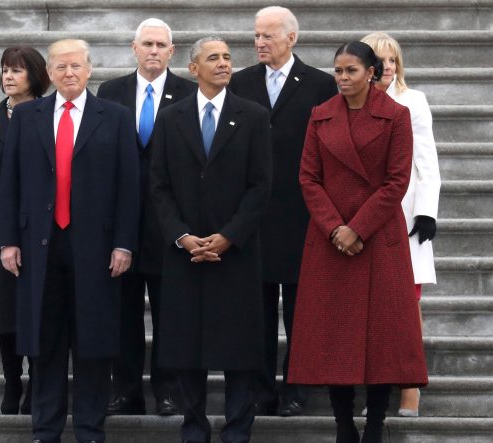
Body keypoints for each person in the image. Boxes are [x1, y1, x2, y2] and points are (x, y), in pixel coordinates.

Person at [0, 39, 140, 443]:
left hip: (97, 248)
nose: (68, 73)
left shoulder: (113, 116)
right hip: (39, 246)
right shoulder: (27, 116)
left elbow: (129, 187)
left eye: (76, 66)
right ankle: (46, 428)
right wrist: (8, 240)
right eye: (60, 67)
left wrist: (125, 243)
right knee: (44, 343)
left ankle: (91, 429)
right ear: (51, 74)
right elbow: (11, 184)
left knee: (93, 343)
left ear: (89, 70)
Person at [287, 41, 428, 443]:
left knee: (381, 339)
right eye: (338, 71)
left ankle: (376, 423)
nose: (343, 78)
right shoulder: (320, 116)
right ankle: (343, 423)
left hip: (377, 239)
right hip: (330, 241)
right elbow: (308, 178)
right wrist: (335, 227)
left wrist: (358, 228)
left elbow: (397, 181)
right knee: (336, 337)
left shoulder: (395, 116)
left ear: (372, 73)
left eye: (351, 71)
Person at [150, 36, 272, 443]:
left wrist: (229, 236)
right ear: (193, 69)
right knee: (186, 346)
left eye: (226, 57)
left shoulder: (252, 116)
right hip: (185, 253)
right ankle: (195, 426)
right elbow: (159, 186)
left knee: (240, 348)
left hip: (234, 253)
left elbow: (261, 186)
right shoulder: (170, 118)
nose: (223, 64)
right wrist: (182, 236)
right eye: (213, 58)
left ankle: (238, 428)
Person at [228, 5, 338, 417]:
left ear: (292, 38)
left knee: (300, 311)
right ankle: (259, 390)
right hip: (251, 216)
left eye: (268, 36)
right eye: (256, 35)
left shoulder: (321, 85)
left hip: (301, 216)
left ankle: (297, 388)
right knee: (254, 312)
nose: (259, 43)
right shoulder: (238, 83)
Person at [96, 17, 197, 417]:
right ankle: (125, 390)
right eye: (147, 44)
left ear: (172, 52)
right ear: (133, 48)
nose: (154, 51)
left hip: (170, 224)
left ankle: (168, 390)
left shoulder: (188, 93)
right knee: (123, 314)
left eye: (161, 45)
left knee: (170, 313)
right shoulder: (110, 92)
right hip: (121, 223)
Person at [361, 32, 441, 417]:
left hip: (404, 216)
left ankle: (410, 387)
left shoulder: (413, 101)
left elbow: (427, 161)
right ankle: (371, 386)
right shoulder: (349, 101)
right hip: (360, 219)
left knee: (406, 304)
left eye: (393, 60)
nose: (388, 67)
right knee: (368, 305)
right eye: (381, 60)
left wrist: (427, 211)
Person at [0, 45, 50, 415]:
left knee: (38, 308)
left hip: (43, 227)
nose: (8, 76)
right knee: (6, 310)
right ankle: (11, 382)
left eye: (17, 70)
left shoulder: (52, 114)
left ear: (35, 75)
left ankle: (38, 382)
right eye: (5, 69)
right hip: (0, 226)